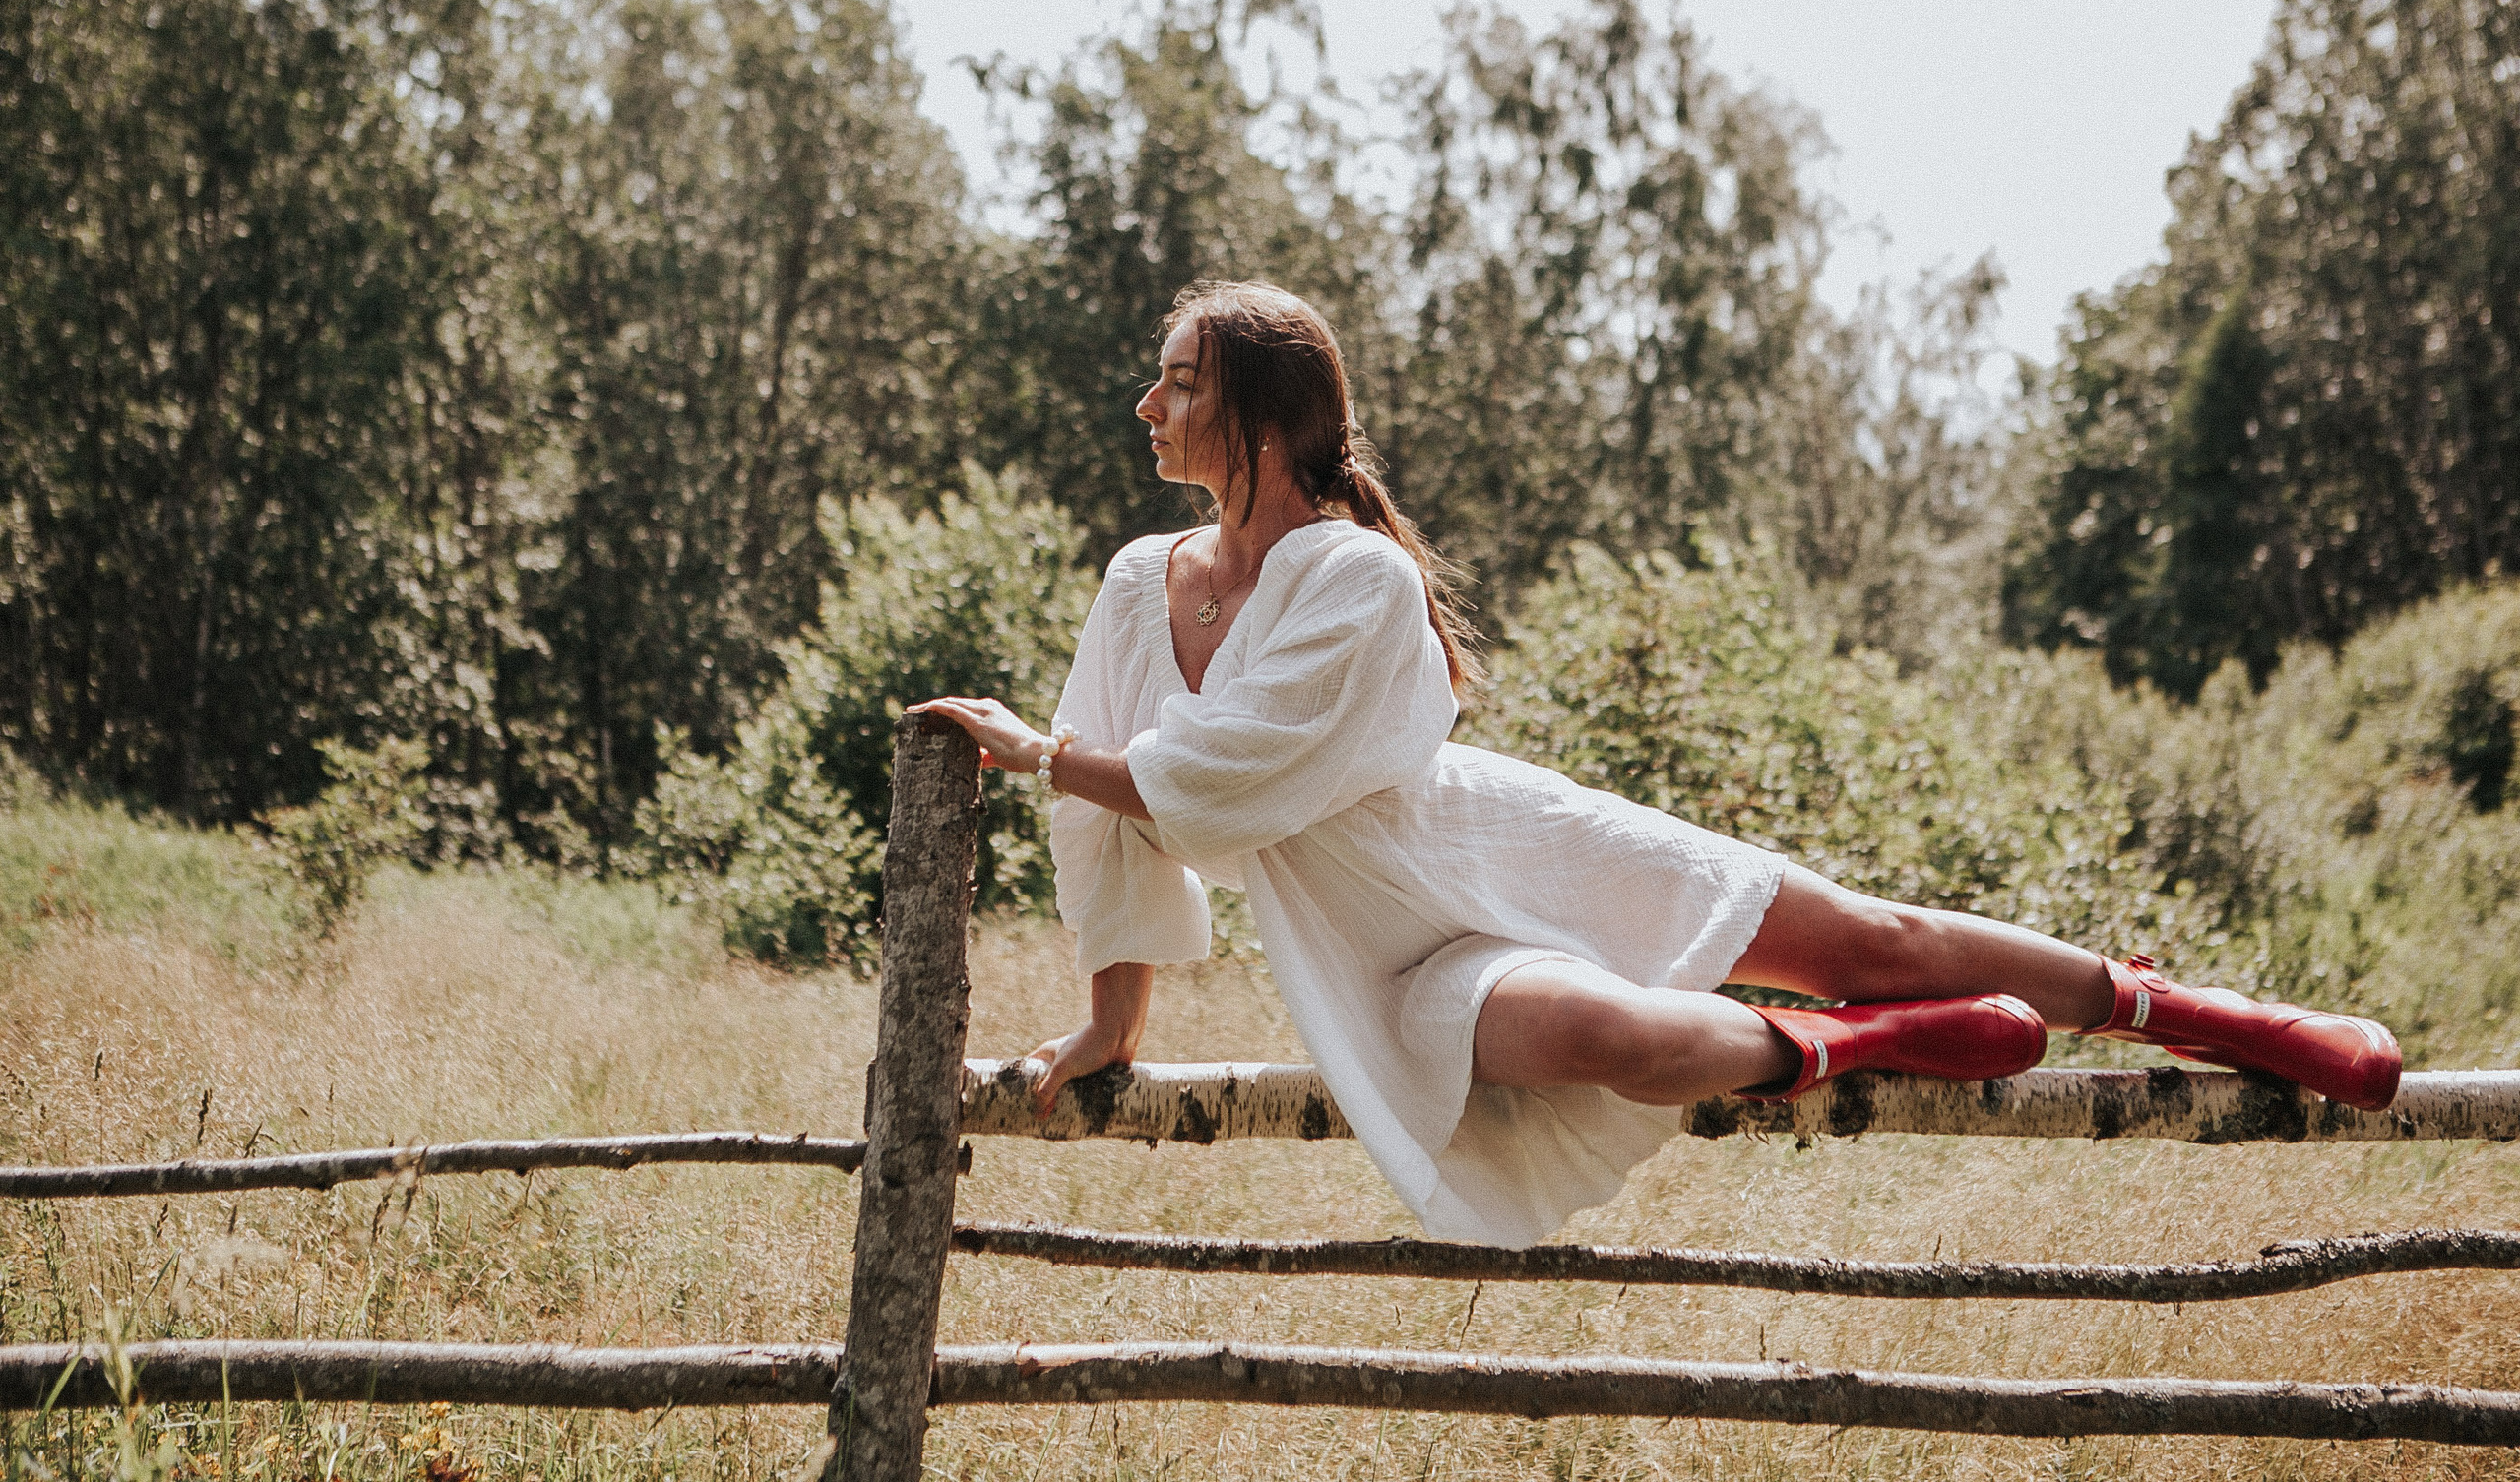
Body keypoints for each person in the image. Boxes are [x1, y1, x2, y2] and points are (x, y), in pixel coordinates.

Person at [910, 280, 2402, 1249]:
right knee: (1613, 1037)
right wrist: (1110, 1021)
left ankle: (2205, 1014)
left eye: (1176, 382)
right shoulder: (1139, 584)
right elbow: (1115, 825)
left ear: (1261, 410)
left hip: (1495, 845)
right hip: (1385, 953)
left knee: (1866, 936)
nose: (1148, 406)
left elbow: (1220, 771)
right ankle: (1860, 1046)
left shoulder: (1353, 574)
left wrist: (1048, 754)